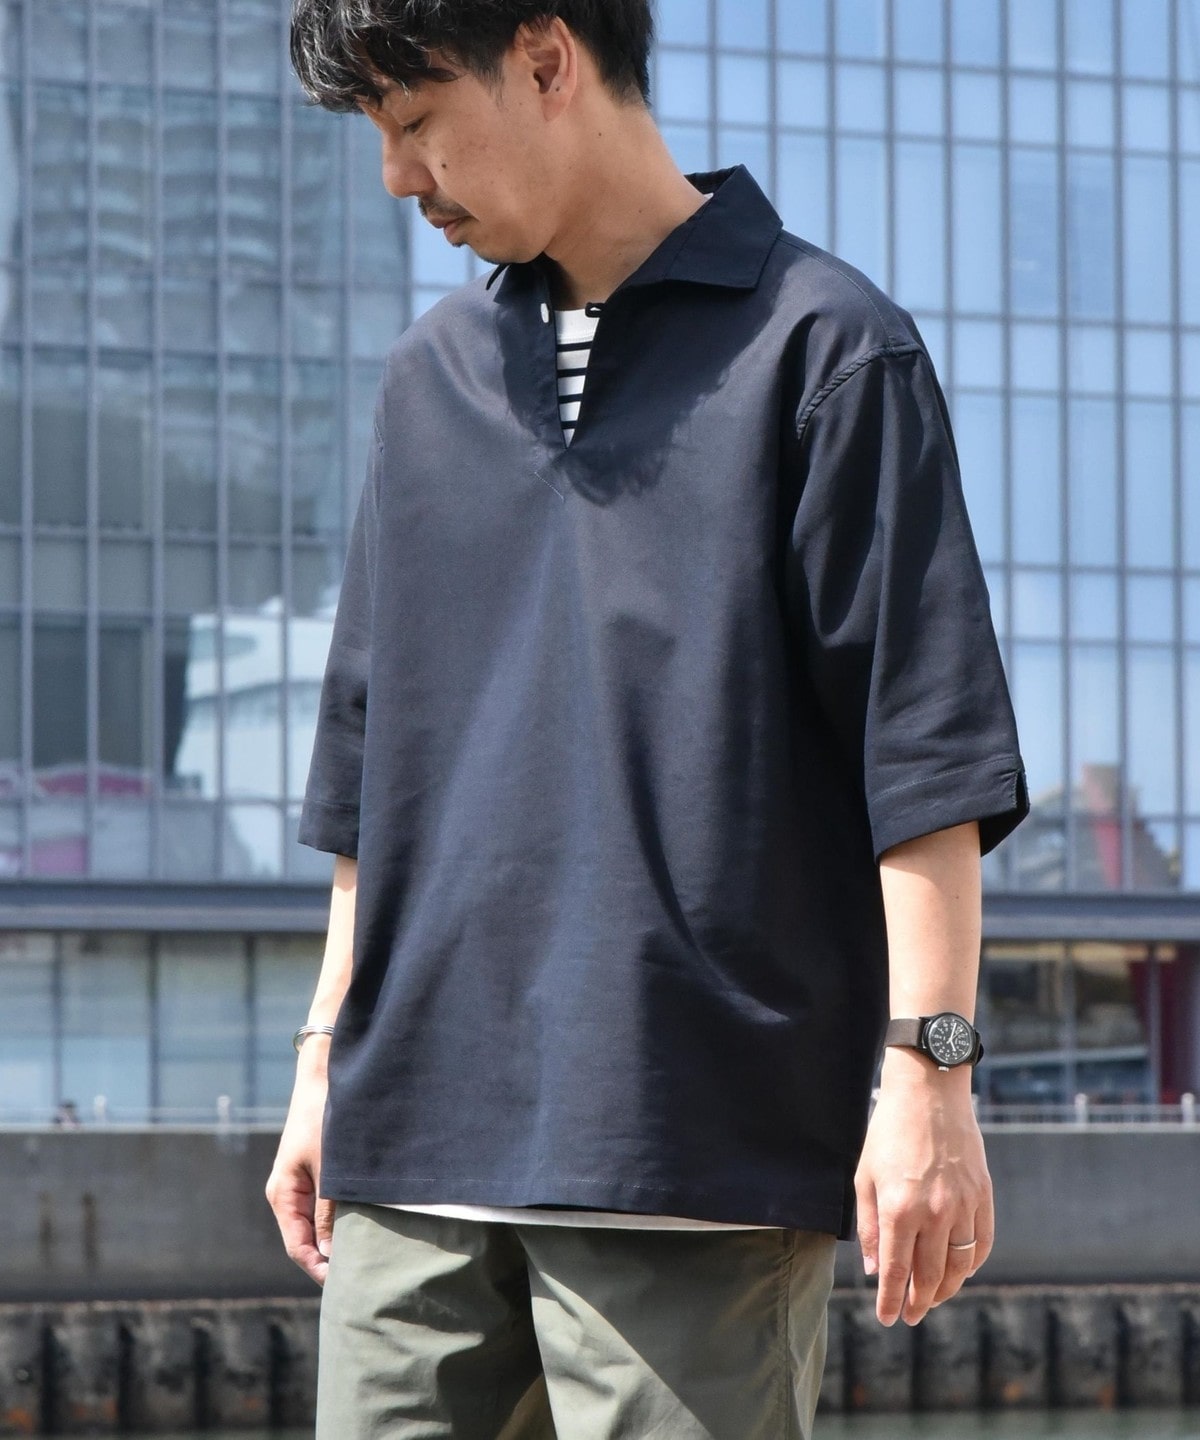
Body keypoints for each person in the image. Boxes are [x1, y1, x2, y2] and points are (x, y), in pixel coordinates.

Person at [267, 3, 1029, 1436]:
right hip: (412, 1153)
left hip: (692, 1149)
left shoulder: (827, 348)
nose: (398, 178)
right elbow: (370, 770)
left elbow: (923, 751)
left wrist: (930, 1074)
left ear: (547, 61)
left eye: (417, 123)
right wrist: (322, 1065)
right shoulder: (428, 379)